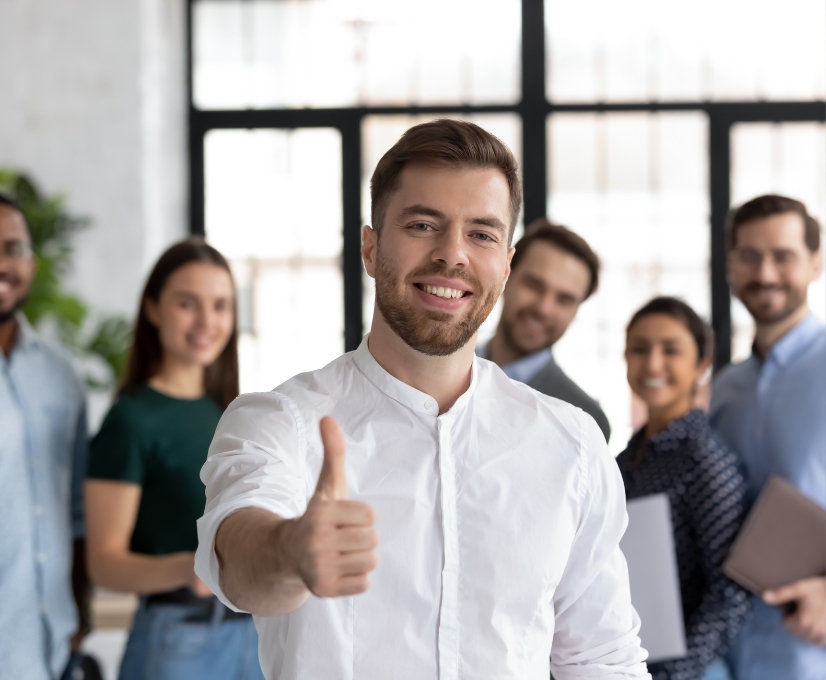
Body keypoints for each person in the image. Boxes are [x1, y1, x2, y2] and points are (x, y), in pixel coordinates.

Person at [195, 119, 650, 679]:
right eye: (422, 224)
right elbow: (238, 559)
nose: (452, 255)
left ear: (505, 264)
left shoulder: (573, 445)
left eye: (481, 233)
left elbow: (601, 659)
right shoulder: (280, 422)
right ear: (370, 246)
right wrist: (290, 552)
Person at [85, 238, 263, 680]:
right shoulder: (130, 421)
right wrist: (190, 566)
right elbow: (104, 563)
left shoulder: (232, 413)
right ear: (152, 309)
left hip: (255, 635)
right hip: (180, 643)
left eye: (221, 306)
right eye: (188, 303)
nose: (207, 321)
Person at [709, 195, 826, 680]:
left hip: (807, 654)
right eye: (750, 256)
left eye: (783, 256)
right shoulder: (724, 387)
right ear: (732, 267)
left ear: (815, 263)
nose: (766, 273)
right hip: (725, 654)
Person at [617, 297, 751, 680]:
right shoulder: (625, 460)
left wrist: (675, 674)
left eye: (671, 350)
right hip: (630, 662)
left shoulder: (706, 460)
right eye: (639, 349)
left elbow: (731, 593)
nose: (653, 363)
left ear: (702, 365)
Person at [0, 194, 91, 680]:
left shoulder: (60, 376)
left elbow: (75, 508)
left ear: (31, 263)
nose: (2, 263)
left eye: (12, 248)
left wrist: (80, 608)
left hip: (52, 649)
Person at [482, 219, 610, 441]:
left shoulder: (585, 422)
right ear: (505, 276)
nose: (543, 308)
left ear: (576, 311)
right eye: (534, 285)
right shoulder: (441, 374)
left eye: (564, 299)